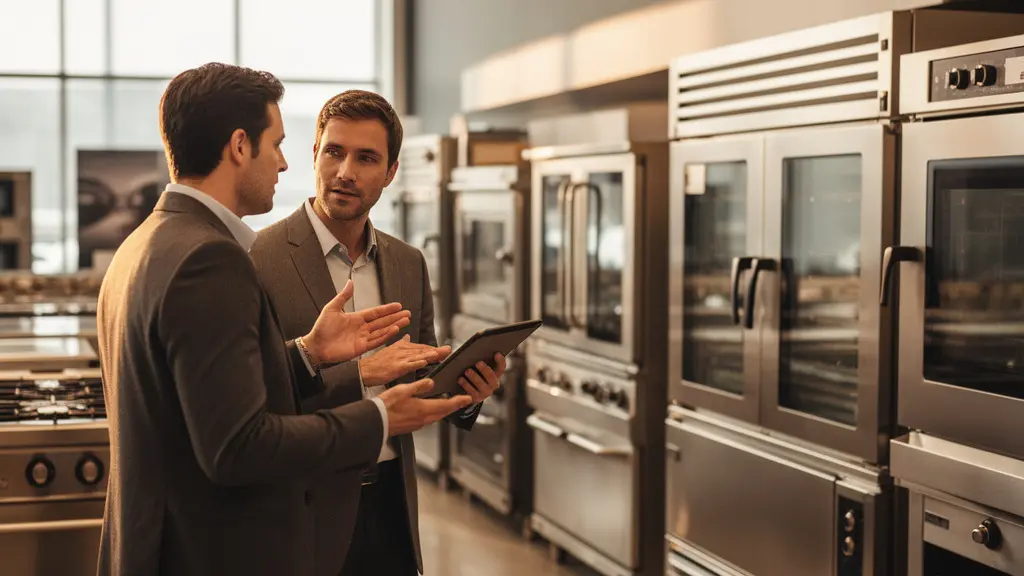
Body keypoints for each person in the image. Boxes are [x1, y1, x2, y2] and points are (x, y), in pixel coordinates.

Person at [95, 64, 473, 576]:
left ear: (390, 170)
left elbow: (223, 392)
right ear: (239, 146)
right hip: (220, 542)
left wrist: (307, 355)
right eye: (276, 143)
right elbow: (237, 445)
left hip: (364, 517)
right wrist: (377, 412)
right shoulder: (217, 258)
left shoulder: (143, 243)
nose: (282, 161)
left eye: (366, 158)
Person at [249, 90, 505, 576]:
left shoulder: (408, 262)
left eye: (366, 158)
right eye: (334, 151)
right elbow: (254, 396)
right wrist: (356, 372)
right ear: (315, 155)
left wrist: (467, 393)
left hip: (391, 499)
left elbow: (425, 372)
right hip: (303, 506)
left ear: (390, 173)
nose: (345, 171)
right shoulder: (258, 259)